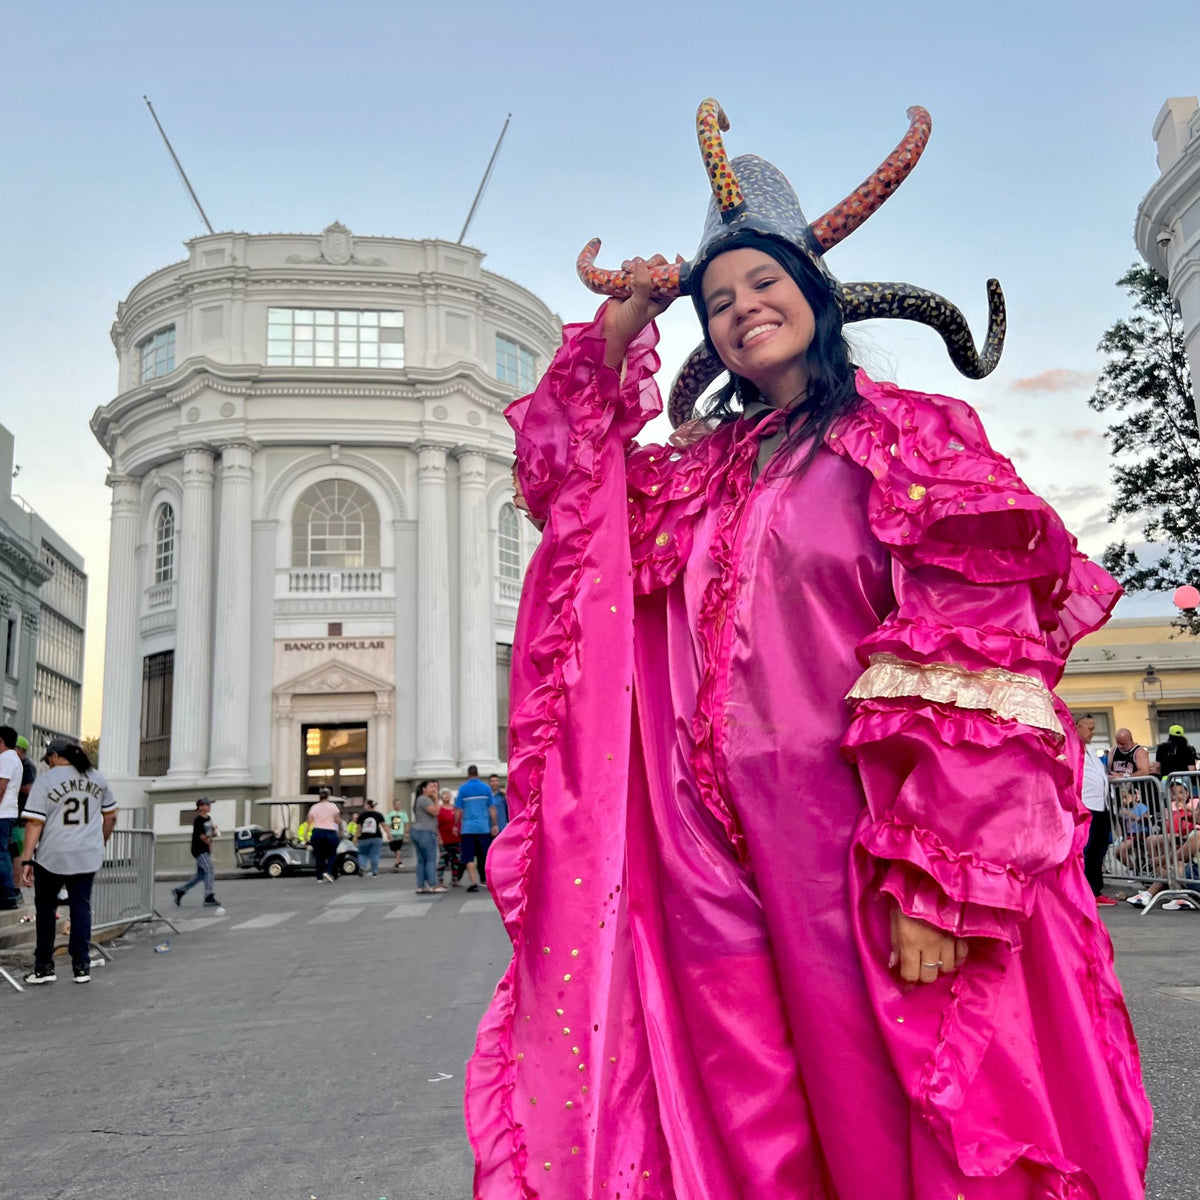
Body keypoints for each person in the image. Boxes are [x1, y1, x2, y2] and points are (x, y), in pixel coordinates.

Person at [464, 99, 1151, 1197]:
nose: (740, 312)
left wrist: (941, 881)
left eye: (763, 285)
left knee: (891, 1111)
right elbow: (564, 494)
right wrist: (615, 338)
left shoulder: (909, 442)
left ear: (815, 298)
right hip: (703, 867)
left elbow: (978, 656)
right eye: (719, 301)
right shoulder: (694, 473)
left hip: (855, 853)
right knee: (749, 1126)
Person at [17, 738, 117, 984]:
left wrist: (27, 860)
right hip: (87, 854)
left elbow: (34, 823)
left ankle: (43, 967)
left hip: (53, 855)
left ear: (53, 756)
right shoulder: (97, 778)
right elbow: (111, 816)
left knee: (46, 910)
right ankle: (81, 966)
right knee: (81, 907)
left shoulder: (46, 781)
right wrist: (100, 841)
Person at [1077, 713, 1116, 905]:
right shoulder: (1070, 747)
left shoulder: (1090, 749)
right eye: (1089, 728)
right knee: (1087, 849)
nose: (1093, 732)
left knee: (1099, 849)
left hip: (1101, 805)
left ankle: (1095, 890)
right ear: (1077, 727)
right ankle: (1085, 891)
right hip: (1085, 805)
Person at [172, 797, 221, 908]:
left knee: (200, 875)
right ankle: (209, 896)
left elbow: (209, 832)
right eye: (207, 805)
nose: (209, 807)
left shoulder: (209, 818)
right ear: (201, 807)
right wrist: (213, 835)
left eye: (209, 805)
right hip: (199, 849)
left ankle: (180, 891)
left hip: (205, 849)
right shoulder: (198, 820)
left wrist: (211, 840)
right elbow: (202, 836)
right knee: (210, 870)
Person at [455, 764, 496, 893]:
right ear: (477, 774)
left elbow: (458, 810)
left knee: (469, 857)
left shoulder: (463, 789)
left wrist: (455, 825)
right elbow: (492, 808)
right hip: (483, 827)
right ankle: (488, 881)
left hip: (467, 828)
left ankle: (473, 883)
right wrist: (494, 824)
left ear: (468, 774)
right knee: (486, 855)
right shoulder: (486, 788)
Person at [0, 725, 23, 911]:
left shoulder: (6, 758)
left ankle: (7, 894)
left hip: (2, 812)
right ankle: (8, 893)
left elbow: (1, 786)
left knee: (1, 853)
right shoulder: (14, 758)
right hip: (8, 812)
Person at [409, 779, 443, 894]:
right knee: (430, 859)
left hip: (417, 831)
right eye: (431, 787)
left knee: (421, 860)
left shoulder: (419, 799)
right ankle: (433, 884)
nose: (433, 789)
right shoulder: (424, 799)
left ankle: (421, 885)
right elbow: (436, 812)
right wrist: (436, 798)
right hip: (425, 832)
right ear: (424, 789)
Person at [307, 787, 343, 882]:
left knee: (319, 855)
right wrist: (341, 829)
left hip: (317, 832)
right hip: (329, 832)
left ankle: (319, 877)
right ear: (328, 796)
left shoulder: (314, 807)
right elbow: (337, 820)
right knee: (332, 854)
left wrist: (306, 834)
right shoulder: (333, 806)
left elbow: (309, 821)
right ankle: (328, 871)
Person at [436, 788, 462, 886]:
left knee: (455, 860)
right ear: (441, 796)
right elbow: (436, 825)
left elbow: (459, 821)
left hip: (455, 838)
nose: (446, 796)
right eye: (444, 794)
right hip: (444, 839)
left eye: (447, 794)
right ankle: (440, 880)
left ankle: (455, 879)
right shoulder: (439, 808)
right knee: (443, 860)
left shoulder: (455, 808)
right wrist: (439, 838)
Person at [355, 799, 386, 877]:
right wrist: (389, 834)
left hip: (364, 838)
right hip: (376, 837)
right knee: (375, 854)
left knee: (362, 854)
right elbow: (384, 825)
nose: (364, 806)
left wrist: (355, 838)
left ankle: (362, 866)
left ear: (368, 806)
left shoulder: (361, 815)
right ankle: (375, 871)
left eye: (365, 804)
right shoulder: (379, 815)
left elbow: (358, 828)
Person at [385, 802, 408, 870]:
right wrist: (388, 834)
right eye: (396, 804)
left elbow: (406, 823)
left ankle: (397, 862)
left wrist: (406, 832)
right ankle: (399, 861)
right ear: (394, 805)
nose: (398, 805)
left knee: (398, 848)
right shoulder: (390, 814)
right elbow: (387, 824)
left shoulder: (403, 813)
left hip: (400, 833)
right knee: (394, 848)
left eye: (399, 804)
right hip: (393, 833)